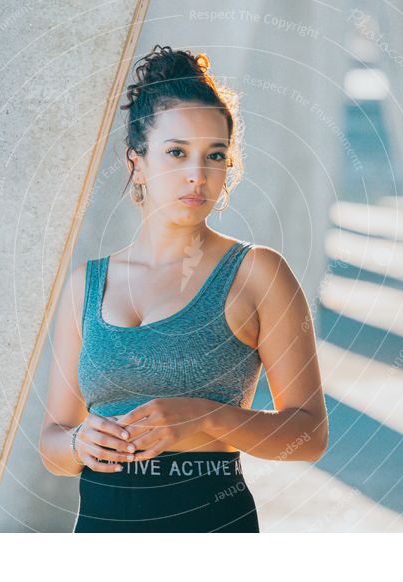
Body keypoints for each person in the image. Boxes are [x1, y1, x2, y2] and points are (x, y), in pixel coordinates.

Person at [38, 45, 328, 533]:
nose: (198, 175)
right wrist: (77, 445)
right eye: (176, 153)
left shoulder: (257, 273)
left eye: (215, 155)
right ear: (137, 163)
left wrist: (209, 419)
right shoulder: (85, 285)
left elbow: (309, 435)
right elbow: (53, 442)